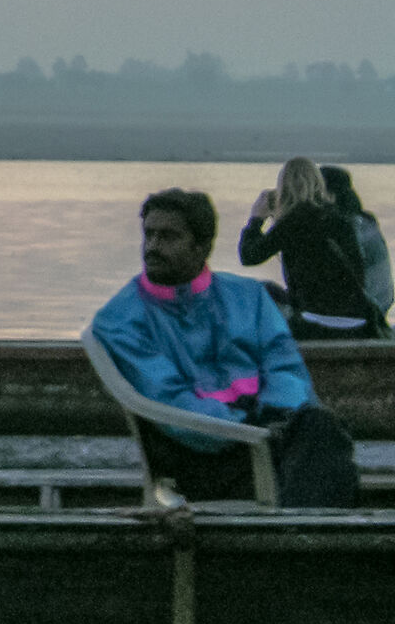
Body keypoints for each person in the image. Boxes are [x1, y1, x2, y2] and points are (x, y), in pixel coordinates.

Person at [90, 187, 358, 508]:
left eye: (169, 236)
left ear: (202, 246)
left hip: (263, 439)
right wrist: (252, 428)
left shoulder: (247, 297)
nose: (153, 247)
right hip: (196, 458)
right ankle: (308, 544)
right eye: (149, 235)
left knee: (318, 426)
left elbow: (286, 368)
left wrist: (279, 416)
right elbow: (171, 404)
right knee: (321, 444)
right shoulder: (123, 319)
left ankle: (306, 540)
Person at [237, 157, 383, 340]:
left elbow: (249, 256)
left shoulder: (293, 221)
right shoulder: (340, 220)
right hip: (359, 323)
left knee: (261, 291)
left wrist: (256, 220)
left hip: (314, 324)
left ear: (284, 188)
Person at [322, 166, 393, 321]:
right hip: (379, 307)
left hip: (363, 314)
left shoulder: (348, 226)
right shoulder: (366, 221)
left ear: (329, 196)